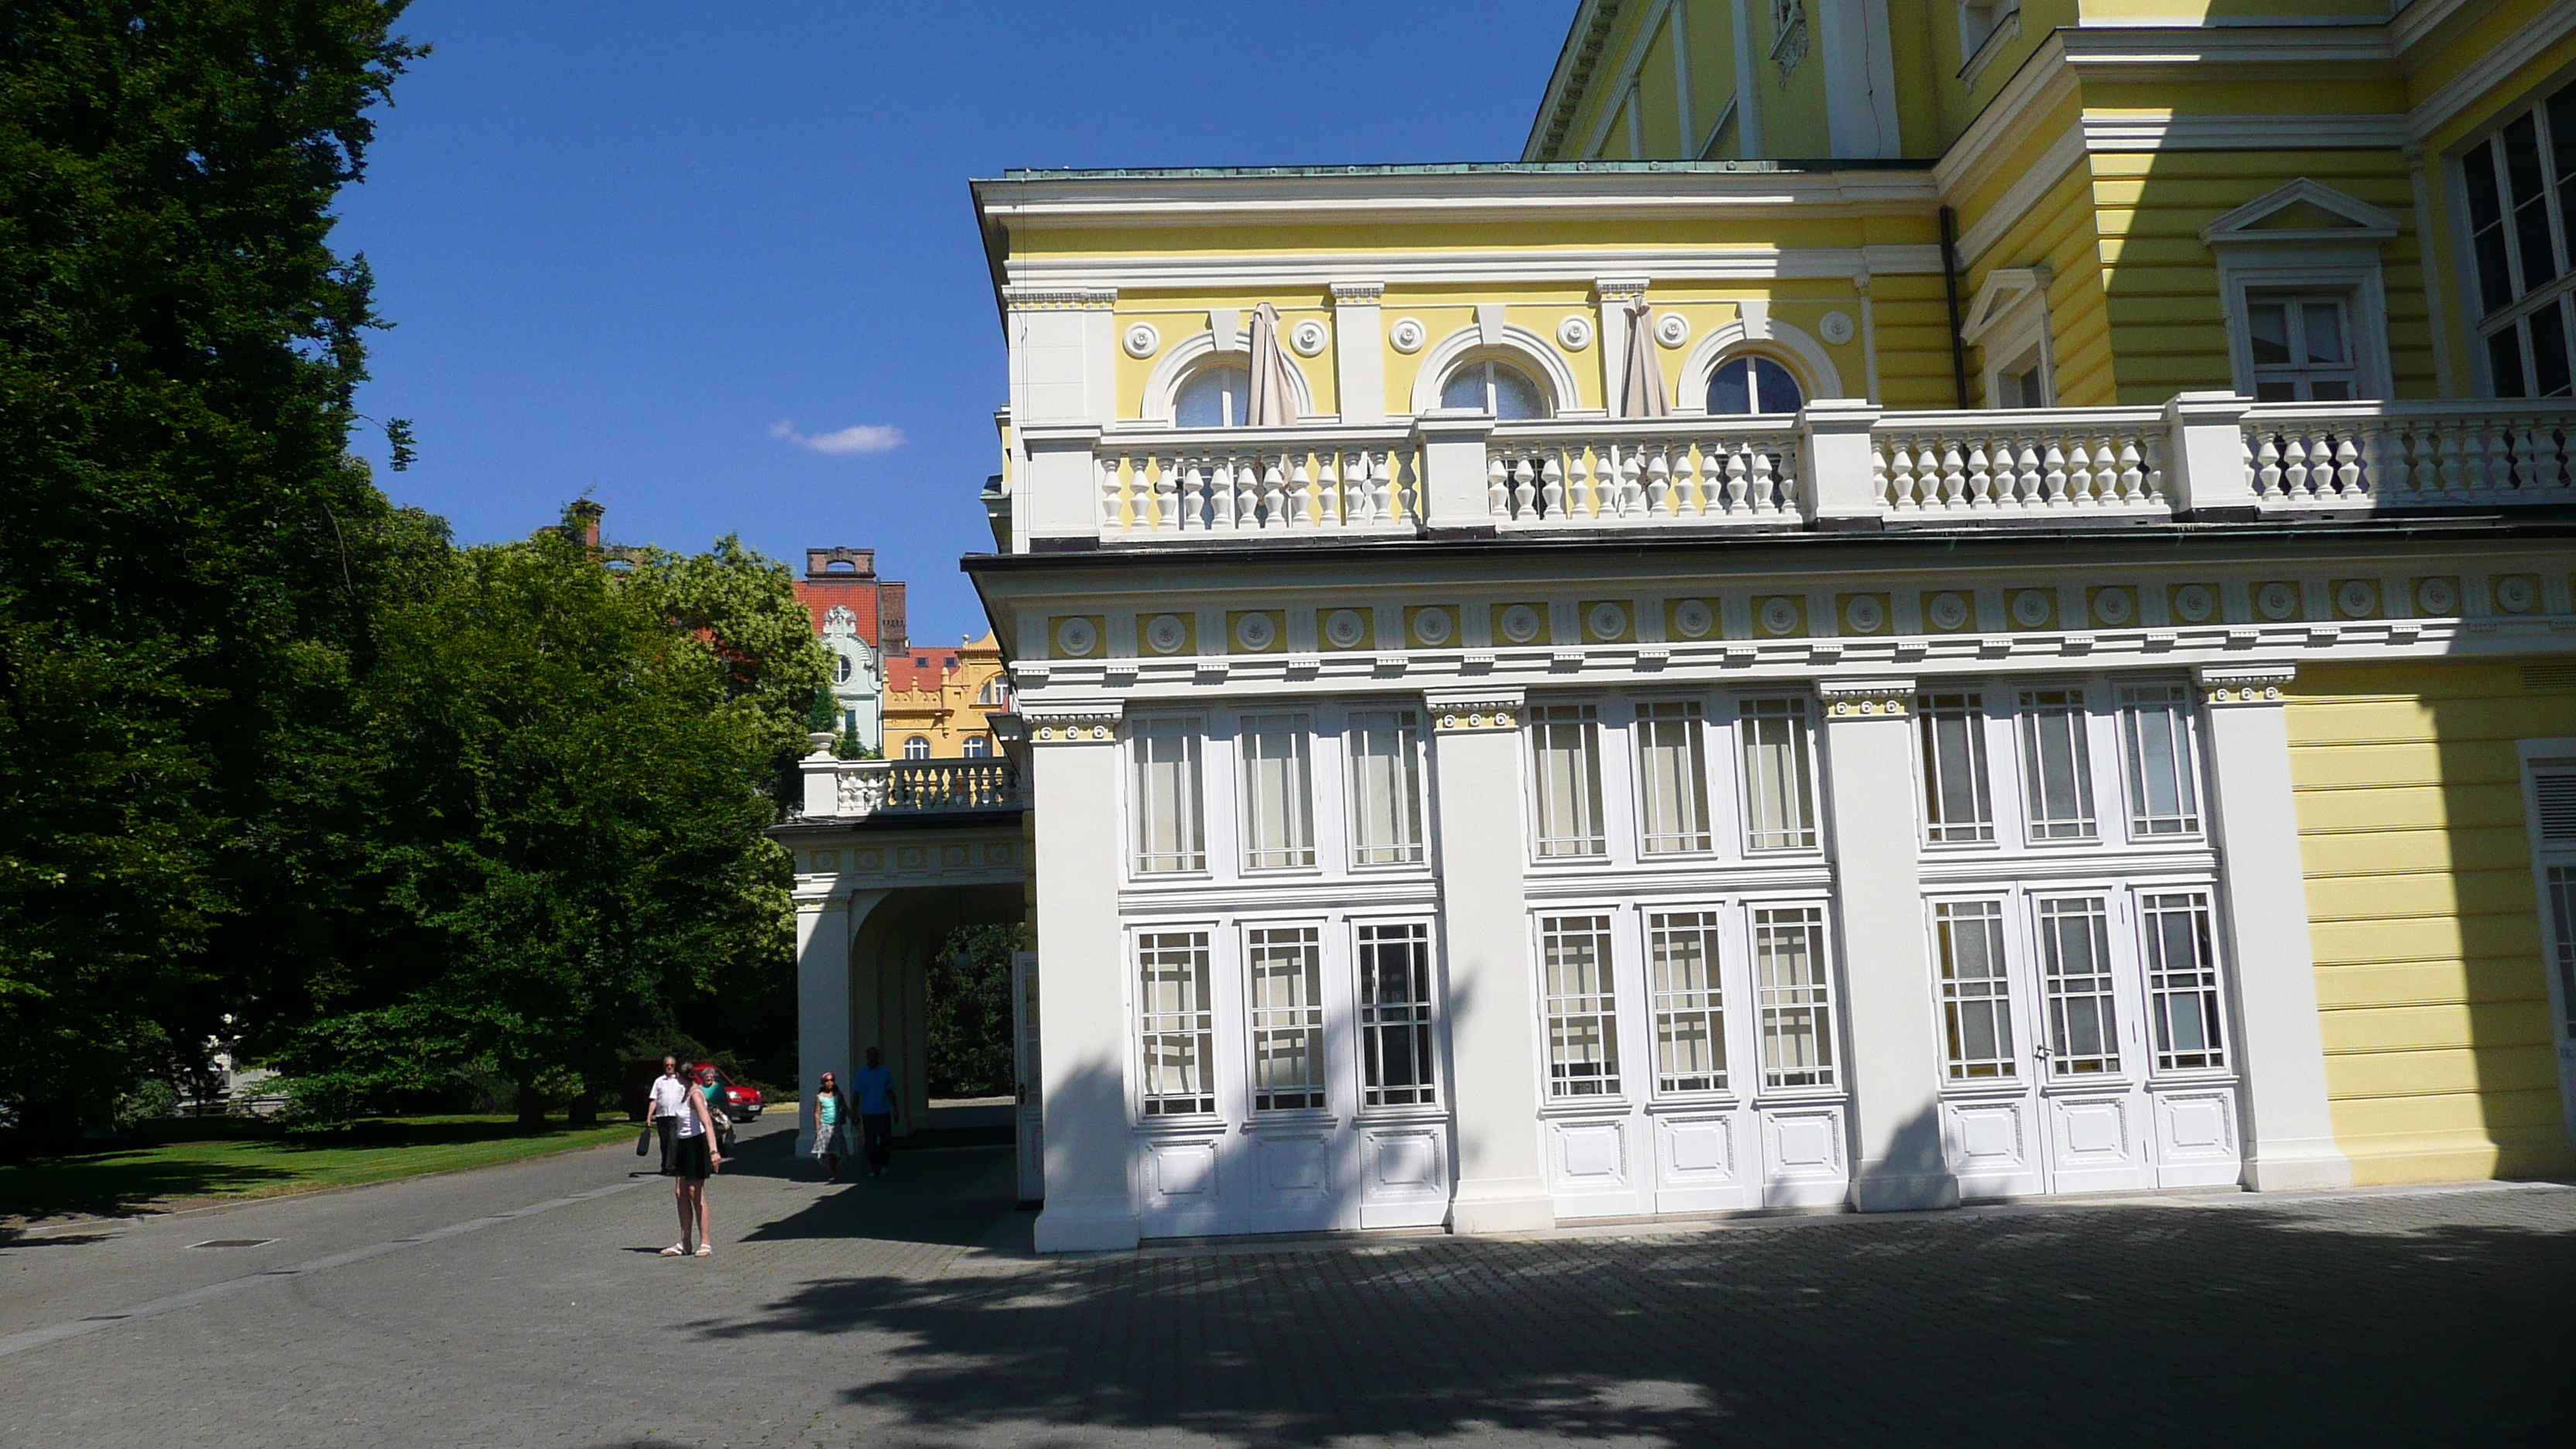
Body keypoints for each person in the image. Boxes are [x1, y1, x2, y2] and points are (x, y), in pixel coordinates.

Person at [661, 1065, 723, 1257]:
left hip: (696, 1146)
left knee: (696, 1193)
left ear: (680, 1075)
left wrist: (714, 1151)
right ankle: (685, 1242)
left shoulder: (695, 1094)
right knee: (680, 1192)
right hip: (683, 1145)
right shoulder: (685, 1092)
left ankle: (705, 1242)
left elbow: (707, 1123)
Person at [850, 1045, 899, 1179]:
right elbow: (856, 1094)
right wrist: (854, 1113)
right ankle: (874, 1167)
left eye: (876, 1056)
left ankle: (883, 1162)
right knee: (870, 1141)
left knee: (886, 1139)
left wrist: (896, 1109)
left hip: (883, 1111)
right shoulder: (861, 1074)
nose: (874, 1059)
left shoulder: (885, 1072)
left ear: (878, 1058)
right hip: (868, 1113)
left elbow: (890, 1091)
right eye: (871, 1056)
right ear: (867, 1057)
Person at [644, 1055, 689, 1175]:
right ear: (664, 1066)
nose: (669, 1067)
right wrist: (649, 1116)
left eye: (672, 1065)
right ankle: (665, 1166)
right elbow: (654, 1100)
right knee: (664, 1142)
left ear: (675, 1067)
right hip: (662, 1116)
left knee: (673, 1141)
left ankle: (672, 1167)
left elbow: (687, 1097)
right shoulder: (659, 1081)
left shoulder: (680, 1081)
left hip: (676, 1116)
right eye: (667, 1065)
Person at [810, 1070, 853, 1183]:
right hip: (825, 1126)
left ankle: (835, 1166)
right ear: (823, 1083)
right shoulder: (820, 1097)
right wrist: (817, 1128)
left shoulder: (838, 1095)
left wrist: (853, 1117)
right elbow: (817, 1113)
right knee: (827, 1152)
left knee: (837, 1151)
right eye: (827, 1081)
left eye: (831, 1080)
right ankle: (832, 1174)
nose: (829, 1083)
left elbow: (844, 1107)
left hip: (836, 1126)